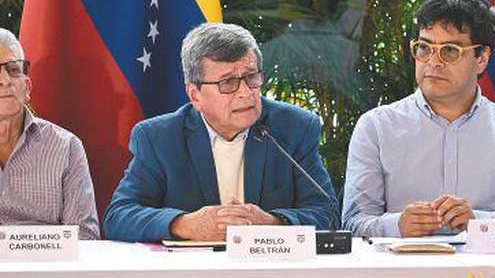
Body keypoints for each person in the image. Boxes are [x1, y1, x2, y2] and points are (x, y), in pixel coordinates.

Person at [104, 23, 334, 242]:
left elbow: (327, 213)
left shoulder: (294, 127)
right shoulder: (159, 137)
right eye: (228, 83)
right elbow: (119, 216)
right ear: (195, 95)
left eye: (251, 77)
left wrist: (272, 222)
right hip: (189, 277)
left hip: (270, 272)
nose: (246, 92)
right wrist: (186, 224)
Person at [342, 0, 495, 237]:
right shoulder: (376, 127)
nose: (433, 62)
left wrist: (477, 222)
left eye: (450, 51)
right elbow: (352, 223)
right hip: (399, 271)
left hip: (487, 274)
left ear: (481, 59)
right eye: (424, 48)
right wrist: (397, 226)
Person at [0, 28, 99, 238]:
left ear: (27, 88)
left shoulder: (66, 147)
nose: (5, 80)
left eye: (13, 70)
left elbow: (85, 236)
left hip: (45, 266)